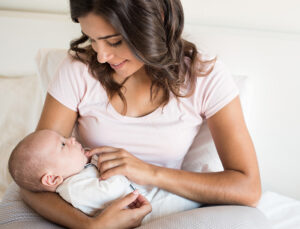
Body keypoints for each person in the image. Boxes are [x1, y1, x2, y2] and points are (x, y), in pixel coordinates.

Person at [20, 0, 262, 228]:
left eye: (113, 42)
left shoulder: (202, 76)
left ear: (155, 21)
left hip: (164, 207)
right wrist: (93, 226)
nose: (101, 56)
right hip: (88, 208)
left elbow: (248, 188)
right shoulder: (78, 70)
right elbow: (35, 177)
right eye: (92, 39)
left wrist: (148, 172)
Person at [9, 129, 199, 223]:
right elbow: (111, 191)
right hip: (151, 207)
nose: (72, 139)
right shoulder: (74, 189)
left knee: (189, 194)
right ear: (51, 179)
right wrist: (102, 164)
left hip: (148, 193)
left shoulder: (78, 174)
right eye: (63, 145)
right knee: (186, 201)